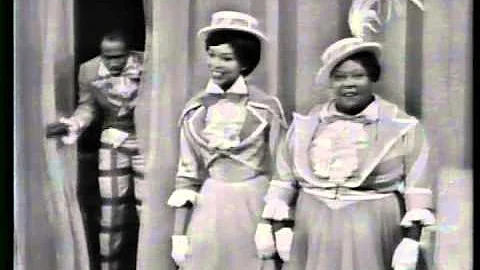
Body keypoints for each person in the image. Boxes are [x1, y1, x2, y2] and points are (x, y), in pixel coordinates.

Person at [260, 37, 435, 270]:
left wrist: (411, 241)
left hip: (372, 227)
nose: (349, 84)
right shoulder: (306, 124)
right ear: (330, 81)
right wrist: (278, 228)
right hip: (311, 226)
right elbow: (284, 180)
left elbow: (417, 187)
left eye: (358, 75)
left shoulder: (402, 126)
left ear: (373, 77)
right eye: (340, 77)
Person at [166, 11, 288, 270]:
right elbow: (188, 175)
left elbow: (282, 171)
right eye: (211, 55)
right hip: (210, 204)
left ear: (244, 64)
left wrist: (272, 225)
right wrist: (178, 234)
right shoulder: (195, 110)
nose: (215, 64)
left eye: (226, 58)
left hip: (254, 202)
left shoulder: (266, 108)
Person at [59, 30, 144, 270]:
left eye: (118, 57)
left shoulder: (147, 63)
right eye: (108, 57)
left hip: (146, 139)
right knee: (111, 209)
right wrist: (76, 122)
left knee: (147, 207)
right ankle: (109, 265)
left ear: (128, 53)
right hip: (113, 139)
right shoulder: (89, 70)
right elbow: (87, 106)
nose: (113, 62)